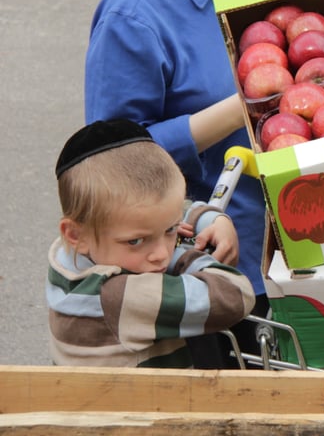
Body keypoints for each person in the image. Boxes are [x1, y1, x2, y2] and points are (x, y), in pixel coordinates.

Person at [83, 0, 297, 366]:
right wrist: (240, 108)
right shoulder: (135, 17)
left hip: (288, 237)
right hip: (211, 267)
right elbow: (112, 164)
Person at [47, 118, 256, 367]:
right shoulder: (116, 296)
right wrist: (186, 254)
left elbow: (157, 214)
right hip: (144, 405)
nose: (160, 254)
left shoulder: (71, 251)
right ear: (75, 235)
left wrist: (207, 218)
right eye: (135, 241)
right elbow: (235, 295)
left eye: (170, 229)